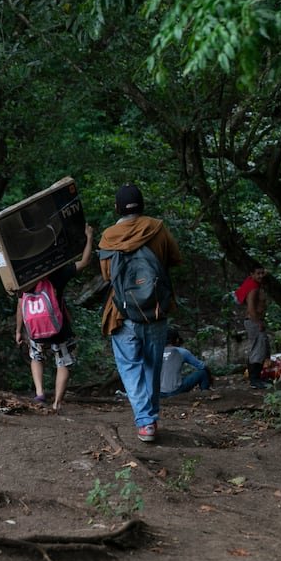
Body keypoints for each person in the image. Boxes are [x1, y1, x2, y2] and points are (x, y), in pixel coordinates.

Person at [98, 184, 182, 442]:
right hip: (155, 311)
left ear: (116, 208)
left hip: (123, 314)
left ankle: (145, 423)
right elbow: (175, 259)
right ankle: (150, 418)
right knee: (152, 367)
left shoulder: (109, 237)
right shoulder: (157, 229)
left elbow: (106, 275)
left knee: (130, 367)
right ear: (142, 205)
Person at [17, 224, 94, 411]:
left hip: (34, 329)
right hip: (59, 328)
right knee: (63, 362)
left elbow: (20, 305)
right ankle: (57, 403)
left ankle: (40, 393)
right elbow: (83, 262)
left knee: (36, 357)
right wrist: (89, 238)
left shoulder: (25, 278)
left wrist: (19, 330)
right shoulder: (58, 274)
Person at [239, 266, 270, 389]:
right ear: (252, 274)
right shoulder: (253, 288)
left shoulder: (257, 285)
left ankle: (257, 377)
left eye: (262, 273)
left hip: (256, 321)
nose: (261, 276)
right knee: (258, 349)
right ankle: (254, 379)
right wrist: (258, 322)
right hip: (253, 322)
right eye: (258, 273)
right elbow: (251, 308)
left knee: (262, 348)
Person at [160, 328, 211, 398]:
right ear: (177, 340)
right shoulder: (182, 352)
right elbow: (202, 366)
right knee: (203, 372)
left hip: (159, 393)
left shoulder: (155, 353)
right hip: (176, 391)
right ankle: (205, 392)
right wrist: (210, 377)